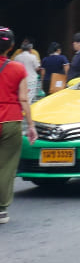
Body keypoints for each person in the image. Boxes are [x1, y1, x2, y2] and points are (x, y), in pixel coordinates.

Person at [0, 26, 36, 224]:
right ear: (11, 46)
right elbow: (23, 99)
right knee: (6, 166)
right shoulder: (17, 68)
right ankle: (1, 210)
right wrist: (30, 126)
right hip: (11, 120)